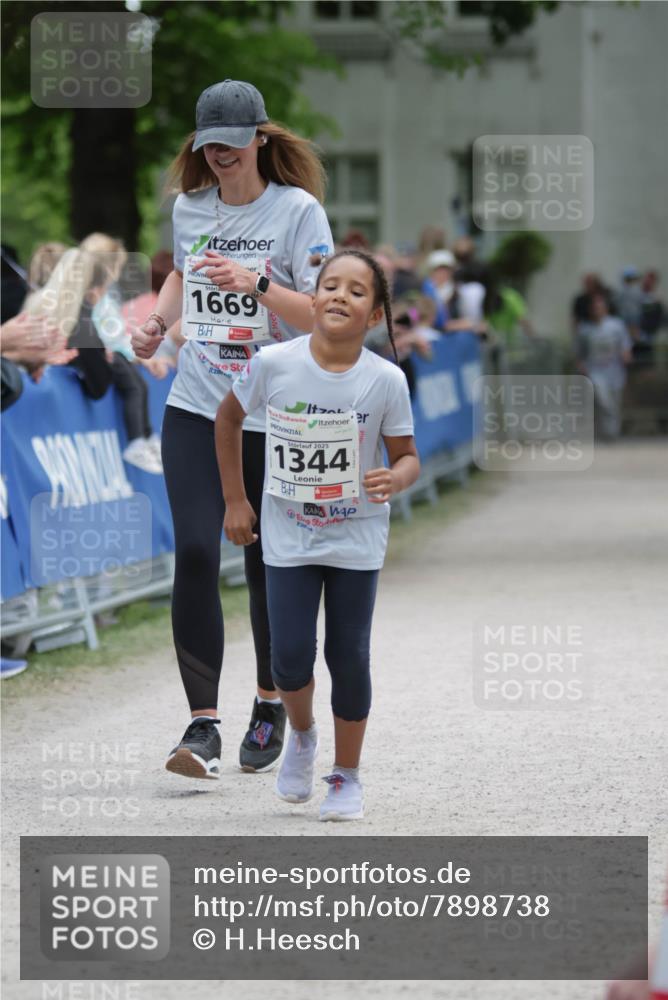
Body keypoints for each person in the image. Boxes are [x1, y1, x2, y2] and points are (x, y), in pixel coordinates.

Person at [130, 79, 334, 777]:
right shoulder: (191, 209)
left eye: (230, 141)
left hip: (274, 411)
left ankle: (270, 702)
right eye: (207, 141)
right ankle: (201, 726)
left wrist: (254, 284)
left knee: (265, 561)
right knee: (192, 549)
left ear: (260, 139)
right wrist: (160, 320)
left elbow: (321, 314)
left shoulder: (298, 211)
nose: (217, 153)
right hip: (196, 401)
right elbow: (184, 277)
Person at [215, 249, 420, 820]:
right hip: (289, 536)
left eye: (356, 291)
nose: (339, 296)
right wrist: (237, 499)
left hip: (355, 536)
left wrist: (393, 478)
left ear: (374, 314)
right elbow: (228, 420)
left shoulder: (385, 380)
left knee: (348, 655)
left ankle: (346, 777)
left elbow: (407, 457)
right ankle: (301, 736)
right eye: (330, 285)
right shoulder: (274, 364)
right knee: (289, 658)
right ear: (311, 298)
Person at [80, 233, 163, 474]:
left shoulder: (106, 295)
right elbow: (101, 328)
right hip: (107, 352)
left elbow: (116, 330)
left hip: (115, 350)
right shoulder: (92, 295)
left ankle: (146, 436)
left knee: (141, 387)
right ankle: (138, 439)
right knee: (135, 388)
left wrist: (136, 354)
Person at [577, 292, 633, 441]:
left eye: (599, 307)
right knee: (603, 400)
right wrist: (581, 365)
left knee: (614, 401)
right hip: (595, 371)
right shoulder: (585, 328)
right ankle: (609, 433)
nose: (597, 310)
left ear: (605, 308)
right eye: (594, 307)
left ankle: (612, 432)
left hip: (615, 370)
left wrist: (626, 354)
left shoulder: (617, 325)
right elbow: (579, 351)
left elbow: (625, 344)